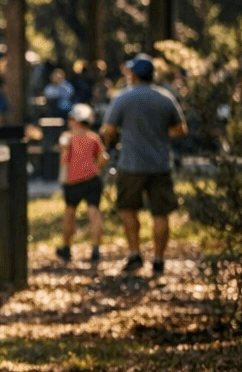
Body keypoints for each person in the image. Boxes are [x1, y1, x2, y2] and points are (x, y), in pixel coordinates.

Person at [101, 53, 187, 276]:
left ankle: (135, 254)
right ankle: (158, 260)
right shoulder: (166, 97)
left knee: (128, 209)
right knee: (161, 213)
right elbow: (181, 129)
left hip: (130, 164)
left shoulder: (123, 97)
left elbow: (107, 130)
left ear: (133, 75)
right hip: (160, 164)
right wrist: (158, 133)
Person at [57, 103, 108, 265]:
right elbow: (103, 158)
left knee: (70, 213)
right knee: (94, 213)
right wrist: (95, 169)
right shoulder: (94, 137)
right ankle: (95, 249)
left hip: (73, 181)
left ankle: (66, 248)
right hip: (92, 179)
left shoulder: (67, 136)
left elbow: (64, 158)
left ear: (74, 120)